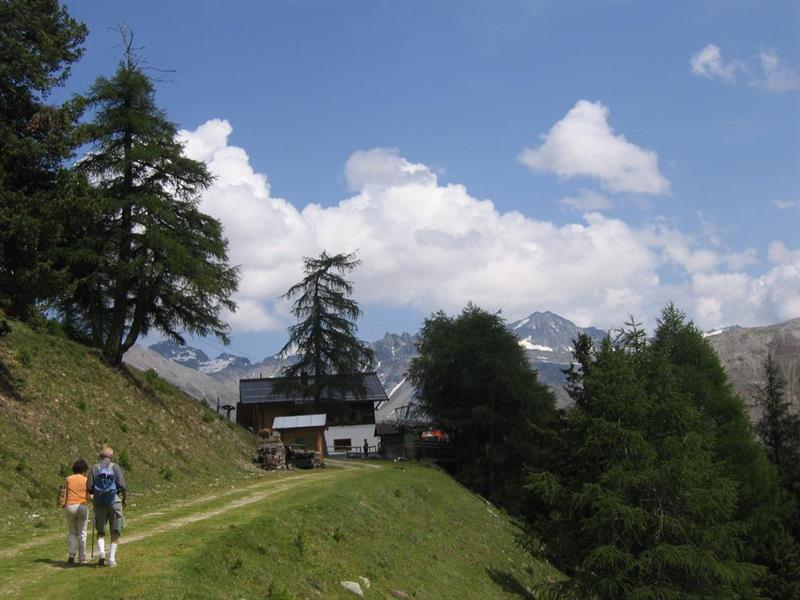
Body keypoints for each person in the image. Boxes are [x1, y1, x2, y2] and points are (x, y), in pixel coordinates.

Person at [86, 446, 127, 567]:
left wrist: (92, 497)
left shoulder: (94, 468)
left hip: (99, 502)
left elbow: (89, 488)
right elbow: (123, 486)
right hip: (114, 501)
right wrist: (125, 499)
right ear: (111, 457)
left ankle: (102, 553)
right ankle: (112, 559)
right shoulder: (115, 467)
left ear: (100, 456)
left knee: (100, 529)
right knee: (115, 529)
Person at [60, 458, 90, 565]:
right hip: (82, 505)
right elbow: (88, 494)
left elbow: (64, 493)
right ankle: (82, 558)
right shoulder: (86, 480)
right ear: (84, 470)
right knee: (82, 532)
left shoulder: (68, 479)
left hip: (70, 505)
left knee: (72, 532)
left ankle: (71, 555)